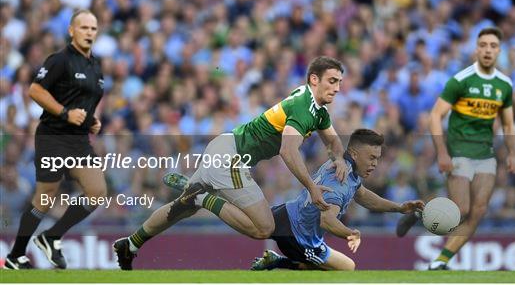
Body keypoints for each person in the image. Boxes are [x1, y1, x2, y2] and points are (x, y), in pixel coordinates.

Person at [114, 56, 349, 270]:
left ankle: (131, 244)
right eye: (332, 81)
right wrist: (311, 187)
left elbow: (334, 142)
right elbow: (288, 151)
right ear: (314, 79)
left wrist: (338, 158)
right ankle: (201, 197)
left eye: (339, 82)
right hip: (231, 157)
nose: (337, 88)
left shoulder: (317, 110)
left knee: (180, 209)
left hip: (224, 148)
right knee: (264, 227)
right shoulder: (303, 107)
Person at [395, 27, 515, 270]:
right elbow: (435, 116)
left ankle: (440, 261)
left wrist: (513, 152)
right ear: (476, 49)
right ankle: (418, 212)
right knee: (461, 208)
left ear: (499, 51)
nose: (487, 50)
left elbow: (508, 122)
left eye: (493, 46)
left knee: (478, 211)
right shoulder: (461, 80)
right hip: (459, 149)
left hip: (486, 153)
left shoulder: (504, 85)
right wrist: (441, 152)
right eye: (483, 45)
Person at [4, 10, 106, 270]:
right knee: (45, 197)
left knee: (97, 193)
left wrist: (91, 121)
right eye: (84, 27)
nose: (89, 33)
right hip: (53, 136)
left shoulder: (95, 64)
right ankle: (16, 255)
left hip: (78, 140)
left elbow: (84, 101)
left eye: (93, 29)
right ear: (72, 30)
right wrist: (64, 113)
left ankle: (52, 236)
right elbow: (35, 90)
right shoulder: (60, 60)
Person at [250, 129, 424, 271]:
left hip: (286, 212)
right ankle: (279, 261)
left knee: (245, 221)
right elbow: (326, 221)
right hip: (300, 238)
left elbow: (364, 196)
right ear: (355, 154)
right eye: (371, 158)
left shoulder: (343, 165)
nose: (375, 164)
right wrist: (351, 233)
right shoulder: (342, 181)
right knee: (346, 267)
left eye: (377, 158)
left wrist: (399, 207)